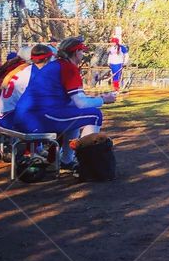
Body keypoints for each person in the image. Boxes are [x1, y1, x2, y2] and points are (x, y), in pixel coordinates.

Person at [14, 36, 116, 170]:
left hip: (26, 115)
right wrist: (104, 99)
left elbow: (74, 102)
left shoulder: (57, 65)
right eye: (81, 51)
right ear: (75, 52)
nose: (83, 54)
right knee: (95, 114)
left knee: (75, 117)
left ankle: (66, 160)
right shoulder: (68, 67)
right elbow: (81, 104)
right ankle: (86, 160)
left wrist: (97, 98)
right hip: (36, 117)